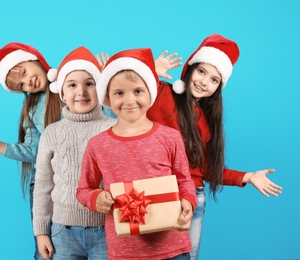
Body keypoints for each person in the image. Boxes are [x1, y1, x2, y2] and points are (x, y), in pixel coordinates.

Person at [146, 34, 283, 260]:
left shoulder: (207, 122)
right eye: (201, 72)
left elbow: (208, 170)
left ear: (219, 87)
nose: (204, 82)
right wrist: (150, 70)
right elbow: (124, 94)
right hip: (153, 192)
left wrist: (248, 176)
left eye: (214, 80)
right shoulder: (160, 93)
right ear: (190, 69)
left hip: (190, 197)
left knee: (186, 257)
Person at [76, 48, 197, 260]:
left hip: (172, 248)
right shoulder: (97, 145)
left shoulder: (170, 137)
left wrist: (188, 202)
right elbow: (83, 189)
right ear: (107, 97)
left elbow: (184, 182)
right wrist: (96, 198)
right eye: (119, 93)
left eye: (138, 91)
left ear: (150, 92)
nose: (129, 100)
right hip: (125, 252)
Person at [0, 42, 62, 260]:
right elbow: (34, 150)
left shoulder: (74, 84)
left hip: (81, 182)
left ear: (35, 58)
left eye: (25, 72)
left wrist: (102, 83)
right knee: (49, 252)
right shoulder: (33, 109)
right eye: (21, 86)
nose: (28, 82)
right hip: (47, 185)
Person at [32, 46, 117, 260]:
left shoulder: (115, 128)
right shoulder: (52, 133)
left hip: (107, 229)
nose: (81, 92)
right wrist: (41, 232)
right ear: (62, 92)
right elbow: (43, 185)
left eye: (90, 83)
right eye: (72, 85)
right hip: (63, 231)